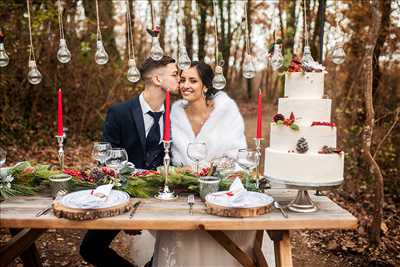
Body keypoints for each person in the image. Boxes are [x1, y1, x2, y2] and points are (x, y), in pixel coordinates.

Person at [152, 61, 275, 267]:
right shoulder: (173, 114)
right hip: (185, 195)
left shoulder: (226, 112)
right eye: (182, 80)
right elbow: (169, 158)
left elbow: (239, 159)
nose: (185, 85)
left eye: (193, 80)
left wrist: (211, 170)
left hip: (222, 196)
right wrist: (183, 172)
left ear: (206, 86)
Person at [79, 56, 179, 267]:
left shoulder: (177, 115)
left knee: (178, 245)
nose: (180, 79)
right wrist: (126, 208)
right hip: (123, 192)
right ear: (158, 79)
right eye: (174, 74)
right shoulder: (119, 113)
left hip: (165, 196)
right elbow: (107, 161)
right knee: (90, 249)